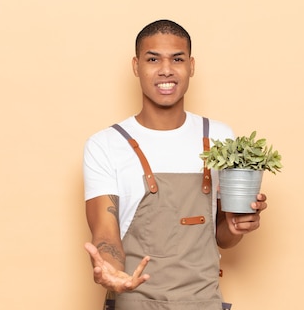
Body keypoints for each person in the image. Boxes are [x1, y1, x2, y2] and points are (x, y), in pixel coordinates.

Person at [83, 19, 268, 310]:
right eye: (153, 59)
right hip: (134, 302)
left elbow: (221, 237)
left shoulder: (219, 137)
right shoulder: (106, 144)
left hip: (204, 302)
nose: (166, 70)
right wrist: (110, 271)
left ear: (191, 66)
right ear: (136, 66)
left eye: (177, 59)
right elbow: (105, 233)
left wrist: (235, 227)